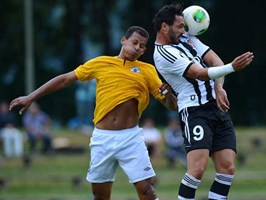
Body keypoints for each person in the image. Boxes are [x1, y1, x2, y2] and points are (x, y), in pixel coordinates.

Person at [9, 26, 177, 200]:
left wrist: (168, 95)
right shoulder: (101, 63)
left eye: (142, 46)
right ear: (123, 40)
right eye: (134, 42)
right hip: (102, 139)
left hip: (131, 138)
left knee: (147, 191)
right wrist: (31, 96)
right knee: (99, 196)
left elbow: (171, 105)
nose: (137, 48)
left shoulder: (147, 70)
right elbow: (65, 79)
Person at [152, 3, 254, 200]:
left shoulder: (186, 38)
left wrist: (219, 87)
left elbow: (216, 62)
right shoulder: (163, 54)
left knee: (227, 168)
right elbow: (199, 73)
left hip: (217, 107)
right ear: (165, 27)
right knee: (197, 170)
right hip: (194, 111)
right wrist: (232, 67)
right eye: (180, 26)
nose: (185, 30)